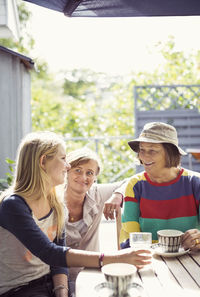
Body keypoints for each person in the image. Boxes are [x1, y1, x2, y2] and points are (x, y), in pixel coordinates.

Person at [0, 131, 151, 297]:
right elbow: (49, 252)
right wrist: (115, 258)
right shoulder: (13, 205)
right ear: (43, 161)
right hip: (20, 290)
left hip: (51, 284)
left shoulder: (55, 203)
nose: (67, 166)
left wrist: (62, 292)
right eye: (63, 159)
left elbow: (57, 262)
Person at [115, 122, 200, 251]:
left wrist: (197, 239)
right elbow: (128, 241)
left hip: (192, 259)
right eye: (142, 150)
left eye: (152, 150)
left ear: (170, 153)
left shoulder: (195, 183)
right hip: (149, 260)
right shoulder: (135, 185)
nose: (144, 156)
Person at [64, 148, 126, 294]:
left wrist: (117, 195)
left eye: (90, 173)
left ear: (95, 177)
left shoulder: (97, 194)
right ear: (66, 172)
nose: (83, 177)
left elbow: (130, 181)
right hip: (57, 278)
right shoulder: (52, 199)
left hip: (90, 275)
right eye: (77, 170)